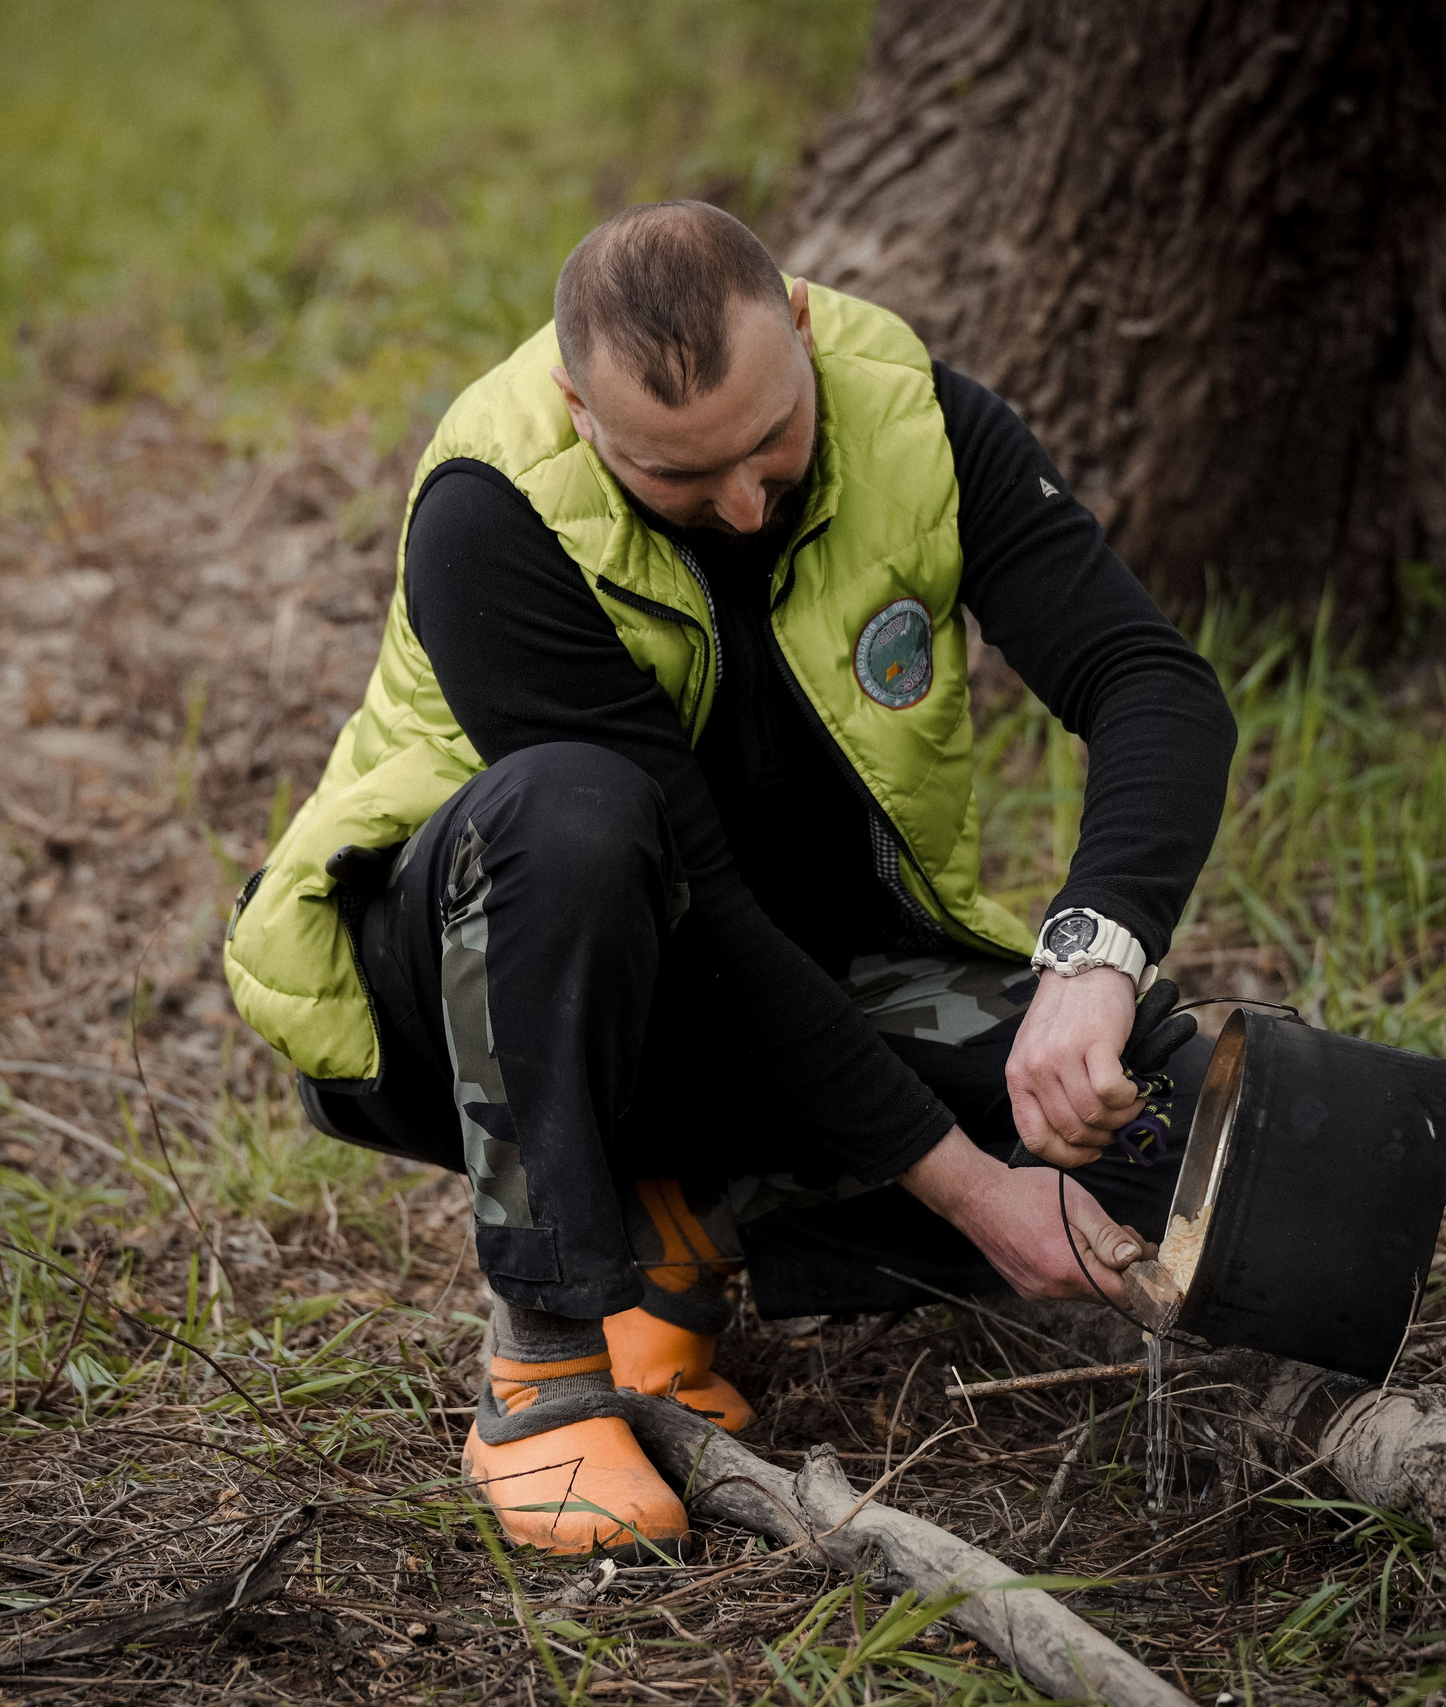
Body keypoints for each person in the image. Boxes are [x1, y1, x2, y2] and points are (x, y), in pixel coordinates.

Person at [225, 201, 1238, 1556]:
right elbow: (702, 903)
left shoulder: (918, 421)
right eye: (684, 480)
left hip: (770, 984)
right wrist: (975, 1190)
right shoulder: (491, 511)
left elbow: (1150, 684)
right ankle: (543, 1363)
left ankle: (682, 1216)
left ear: (805, 330)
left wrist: (1092, 967)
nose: (748, 506)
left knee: (1169, 1139)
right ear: (585, 417)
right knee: (576, 818)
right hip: (477, 983)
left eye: (774, 442)